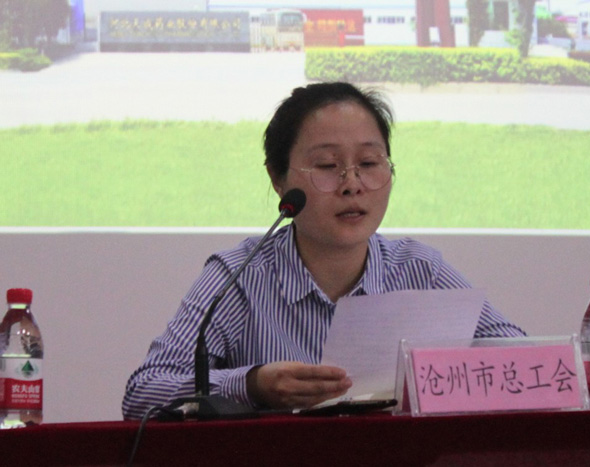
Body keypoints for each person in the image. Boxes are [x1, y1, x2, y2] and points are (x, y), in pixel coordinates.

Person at [122, 82, 525, 420]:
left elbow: (525, 366)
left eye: (369, 162)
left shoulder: (420, 270)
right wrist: (252, 385)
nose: (352, 184)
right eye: (328, 166)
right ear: (278, 179)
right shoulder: (239, 277)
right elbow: (143, 394)